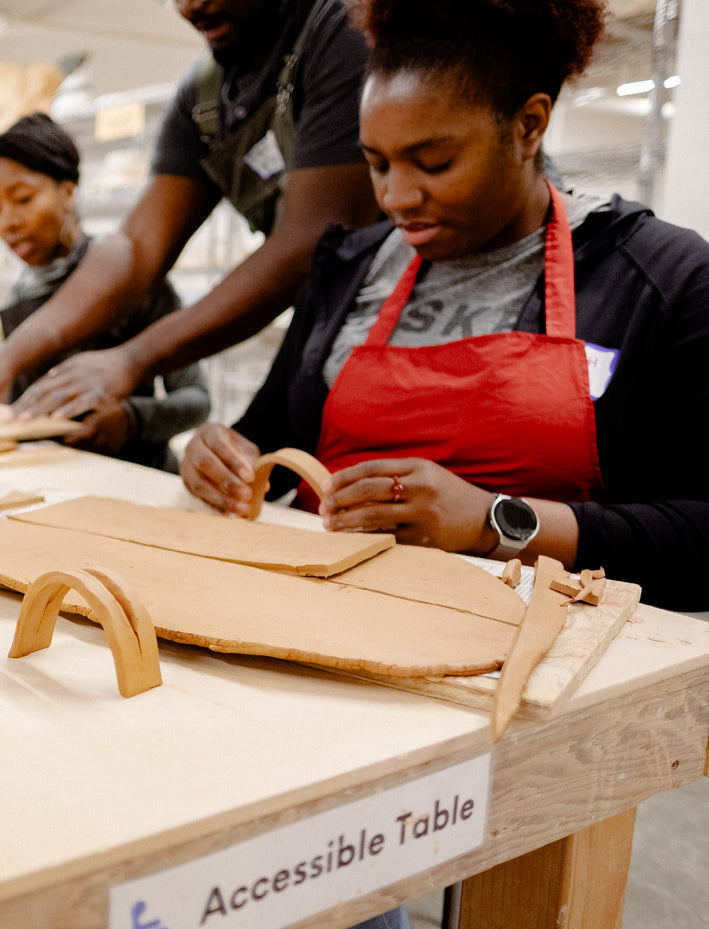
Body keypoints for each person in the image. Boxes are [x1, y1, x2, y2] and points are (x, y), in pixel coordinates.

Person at [182, 0, 709, 617]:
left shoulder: (659, 279)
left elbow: (701, 535)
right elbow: (270, 436)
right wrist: (224, 457)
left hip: (522, 655)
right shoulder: (350, 269)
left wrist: (496, 522)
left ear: (529, 126)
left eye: (434, 163)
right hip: (309, 616)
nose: (397, 198)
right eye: (377, 164)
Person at [0, 0, 381, 425]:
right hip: (325, 332)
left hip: (391, 337)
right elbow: (136, 246)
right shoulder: (205, 96)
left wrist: (131, 361)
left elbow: (310, 241)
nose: (191, 6)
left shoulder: (340, 31)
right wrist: (3, 362)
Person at [0, 113, 209, 472]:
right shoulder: (18, 294)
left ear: (68, 192)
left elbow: (196, 399)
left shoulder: (129, 279)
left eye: (22, 199)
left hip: (135, 480)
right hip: (52, 479)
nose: (7, 222)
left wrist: (131, 418)